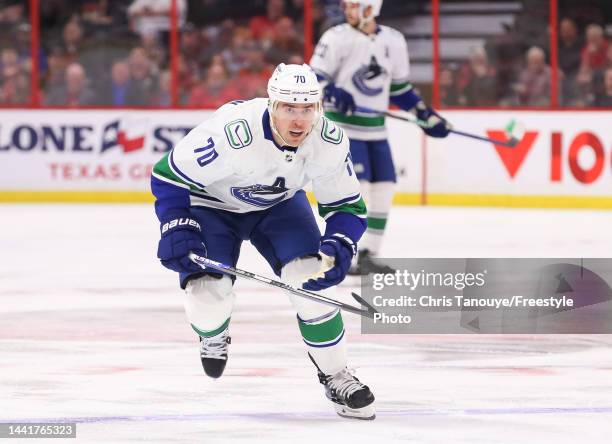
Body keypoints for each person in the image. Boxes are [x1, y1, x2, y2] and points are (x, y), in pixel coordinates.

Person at [151, 63, 375, 420]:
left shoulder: (328, 140)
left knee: (311, 281)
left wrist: (340, 243)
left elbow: (347, 206)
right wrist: (177, 226)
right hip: (212, 206)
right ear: (272, 105)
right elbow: (168, 175)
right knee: (208, 296)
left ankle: (336, 374)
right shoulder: (232, 131)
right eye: (289, 108)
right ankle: (214, 332)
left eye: (307, 109)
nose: (299, 120)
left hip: (279, 206)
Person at [309, 0, 450, 275]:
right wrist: (333, 90)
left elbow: (399, 88)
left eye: (354, 7)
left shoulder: (394, 41)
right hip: (344, 129)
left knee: (385, 187)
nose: (348, 12)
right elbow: (314, 77)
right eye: (347, 6)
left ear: (370, 9)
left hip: (376, 129)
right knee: (356, 189)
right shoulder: (335, 38)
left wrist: (425, 114)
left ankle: (368, 253)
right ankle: (344, 252)